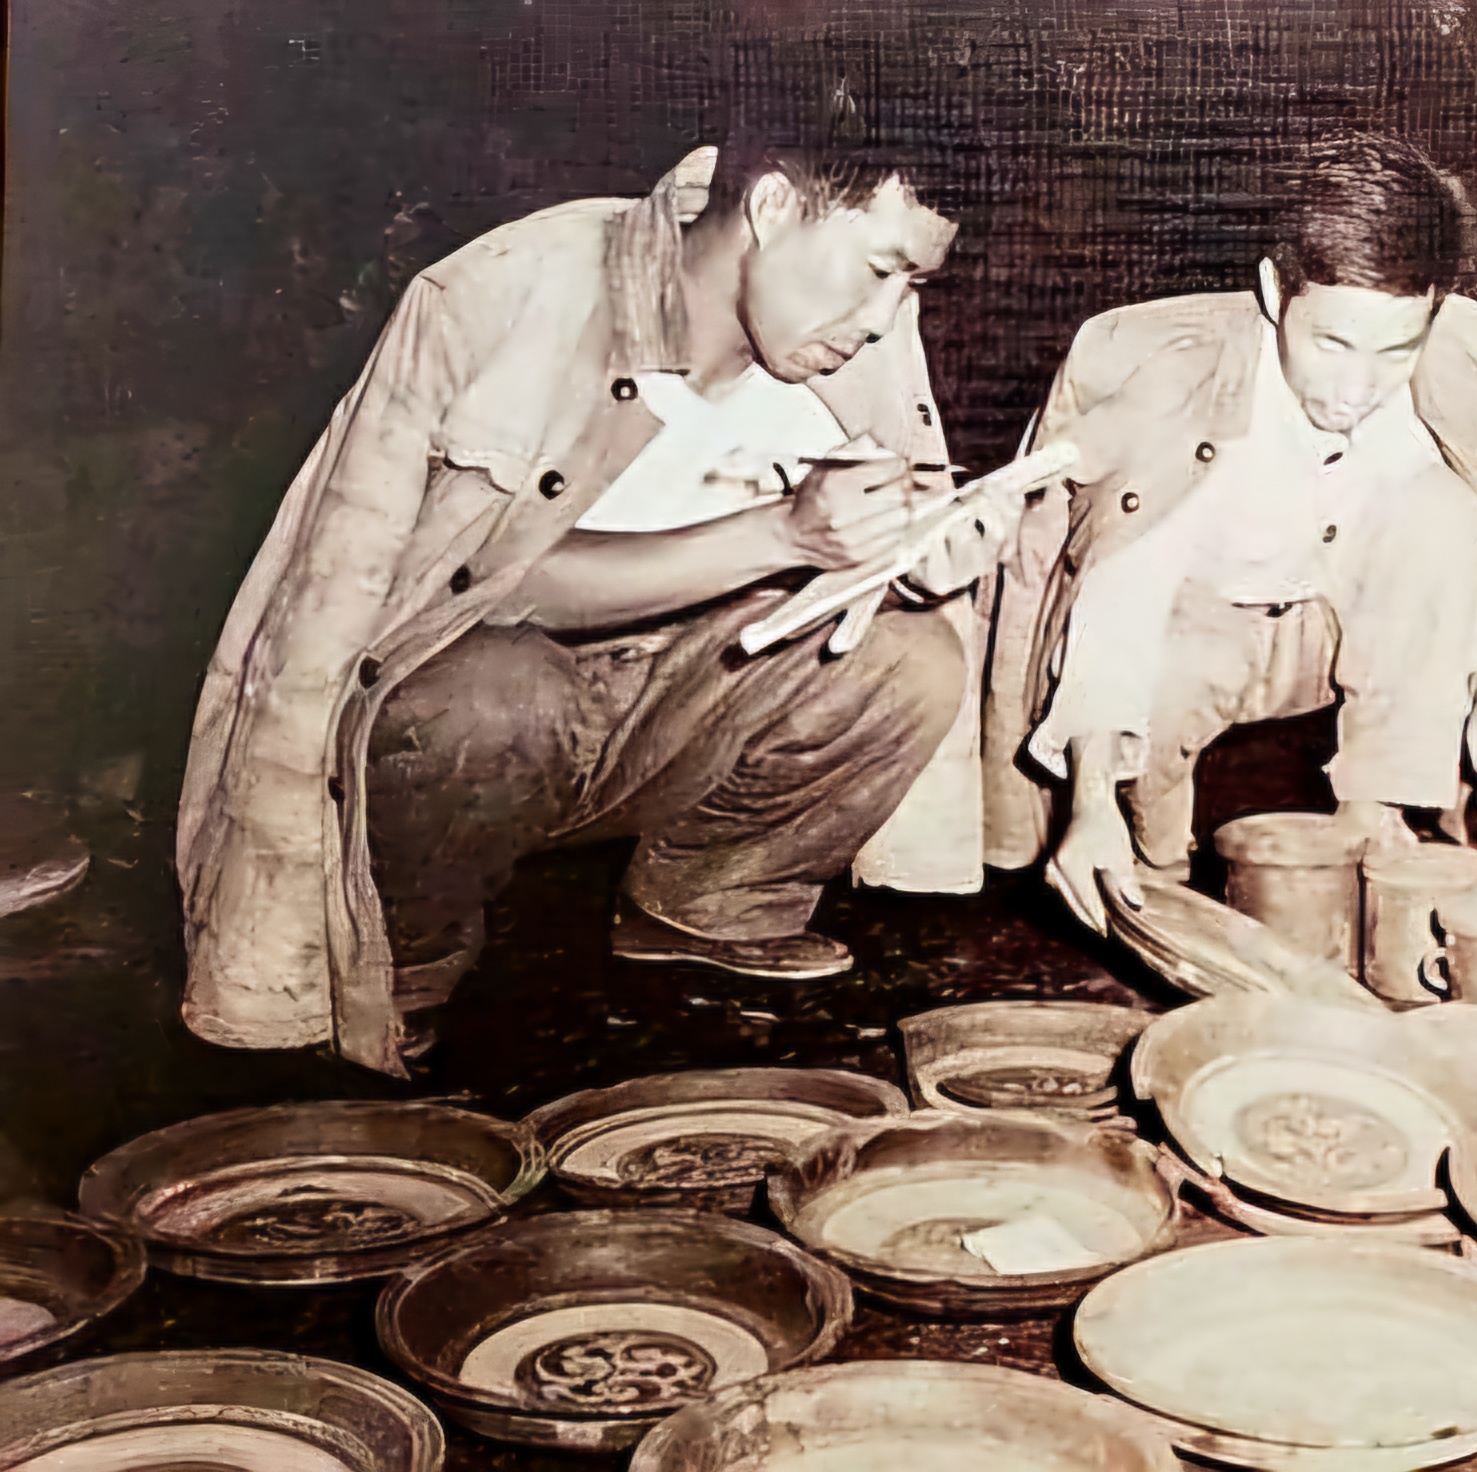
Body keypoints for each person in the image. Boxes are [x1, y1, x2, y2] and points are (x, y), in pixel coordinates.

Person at [177, 136, 1017, 1076]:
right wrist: (783, 534)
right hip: (475, 719)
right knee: (490, 698)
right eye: (880, 270)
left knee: (912, 658)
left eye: (913, 285)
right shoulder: (512, 289)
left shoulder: (856, 335)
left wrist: (914, 554)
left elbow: (876, 539)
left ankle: (709, 903)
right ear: (774, 205)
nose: (885, 319)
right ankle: (406, 962)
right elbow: (455, 590)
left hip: (680, 704)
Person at [979, 134, 1477, 931]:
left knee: (1439, 507)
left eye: (1394, 350)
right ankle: (1155, 876)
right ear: (1274, 291)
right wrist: (1090, 804)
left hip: (1341, 630)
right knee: (1159, 725)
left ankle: (1378, 819)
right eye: (1332, 345)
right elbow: (1119, 603)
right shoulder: (1186, 388)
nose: (1356, 388)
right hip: (1192, 629)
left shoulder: (1437, 381)